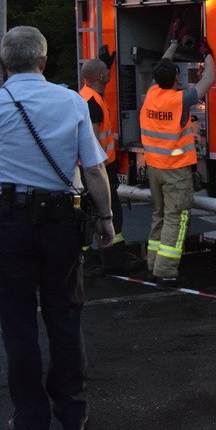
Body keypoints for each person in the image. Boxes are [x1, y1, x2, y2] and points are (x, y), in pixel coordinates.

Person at [0, 25, 115, 430]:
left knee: (18, 324)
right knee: (65, 316)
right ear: (43, 61)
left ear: (2, 63)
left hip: (11, 226)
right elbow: (93, 169)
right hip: (61, 223)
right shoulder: (71, 100)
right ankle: (74, 412)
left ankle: (30, 422)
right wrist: (106, 219)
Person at [140, 33, 216, 284]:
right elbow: (209, 79)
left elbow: (162, 67)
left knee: (159, 215)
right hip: (175, 170)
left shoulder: (152, 92)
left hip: (155, 168)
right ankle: (165, 271)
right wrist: (207, 54)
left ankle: (153, 264)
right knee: (177, 217)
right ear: (176, 77)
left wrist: (172, 43)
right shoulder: (180, 99)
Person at [80, 58, 142, 275]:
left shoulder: (87, 96)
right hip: (99, 168)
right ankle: (111, 261)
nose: (109, 72)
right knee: (109, 212)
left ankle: (89, 260)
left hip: (93, 167)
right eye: (106, 70)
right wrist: (104, 170)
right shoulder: (93, 103)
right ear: (99, 77)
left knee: (90, 213)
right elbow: (93, 141)